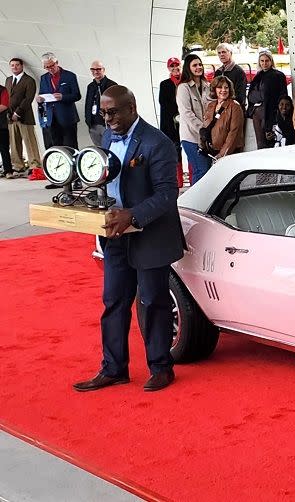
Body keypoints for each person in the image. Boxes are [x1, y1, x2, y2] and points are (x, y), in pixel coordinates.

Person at [72, 85, 183, 393]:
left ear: (131, 108)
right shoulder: (107, 136)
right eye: (104, 113)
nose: (107, 119)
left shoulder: (157, 142)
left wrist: (132, 215)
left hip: (150, 234)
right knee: (113, 302)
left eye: (113, 112)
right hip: (115, 235)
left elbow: (167, 194)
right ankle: (113, 368)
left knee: (153, 302)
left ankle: (161, 368)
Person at [176, 53, 211, 183]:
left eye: (200, 64)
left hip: (206, 136)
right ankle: (195, 201)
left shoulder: (207, 85)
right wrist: (203, 129)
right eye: (195, 65)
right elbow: (186, 113)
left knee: (207, 169)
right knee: (200, 169)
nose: (198, 67)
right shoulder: (183, 87)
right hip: (191, 137)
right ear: (188, 68)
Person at [35, 52, 82, 149]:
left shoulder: (69, 76)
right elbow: (42, 93)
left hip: (67, 118)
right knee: (55, 147)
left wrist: (63, 97)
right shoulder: (44, 78)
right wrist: (40, 99)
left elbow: (77, 95)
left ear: (57, 62)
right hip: (51, 118)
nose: (50, 69)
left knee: (71, 146)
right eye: (47, 67)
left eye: (52, 65)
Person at [5, 58, 42, 175]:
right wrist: (8, 113)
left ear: (22, 66)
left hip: (25, 116)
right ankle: (18, 165)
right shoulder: (8, 80)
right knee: (14, 142)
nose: (15, 67)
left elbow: (28, 99)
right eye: (12, 65)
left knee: (29, 141)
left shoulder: (29, 80)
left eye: (17, 65)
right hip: (10, 117)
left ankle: (34, 165)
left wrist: (17, 113)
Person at [247, 51, 288, 149]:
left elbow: (283, 96)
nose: (264, 63)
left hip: (272, 113)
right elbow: (250, 96)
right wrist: (262, 96)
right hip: (257, 113)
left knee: (273, 142)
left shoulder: (278, 75)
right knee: (260, 144)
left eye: (267, 61)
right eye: (262, 61)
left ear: (271, 61)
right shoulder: (258, 76)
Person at [201, 76, 244, 161]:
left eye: (226, 87)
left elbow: (234, 134)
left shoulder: (235, 106)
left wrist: (222, 154)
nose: (223, 90)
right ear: (214, 89)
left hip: (229, 154)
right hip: (212, 152)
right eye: (220, 87)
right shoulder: (211, 105)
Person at [158, 57, 184, 184]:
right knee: (175, 151)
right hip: (171, 124)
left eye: (177, 65)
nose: (175, 68)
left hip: (185, 121)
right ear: (169, 68)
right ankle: (178, 180)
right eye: (172, 66)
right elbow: (164, 105)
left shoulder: (185, 82)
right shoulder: (165, 84)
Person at [84, 60, 118, 146]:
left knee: (109, 147)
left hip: (106, 124)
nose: (95, 72)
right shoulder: (91, 86)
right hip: (93, 124)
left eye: (98, 69)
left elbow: (116, 105)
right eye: (93, 69)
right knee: (99, 149)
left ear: (103, 69)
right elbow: (88, 104)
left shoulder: (112, 85)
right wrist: (87, 119)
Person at [213, 43, 247, 111]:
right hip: (219, 110)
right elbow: (213, 92)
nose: (221, 54)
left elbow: (240, 95)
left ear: (230, 53)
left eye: (224, 52)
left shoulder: (239, 72)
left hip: (235, 109)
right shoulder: (218, 72)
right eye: (219, 53)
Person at [0, 82, 11, 178]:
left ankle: (8, 171)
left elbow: (4, 105)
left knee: (4, 149)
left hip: (1, 125)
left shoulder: (3, 90)